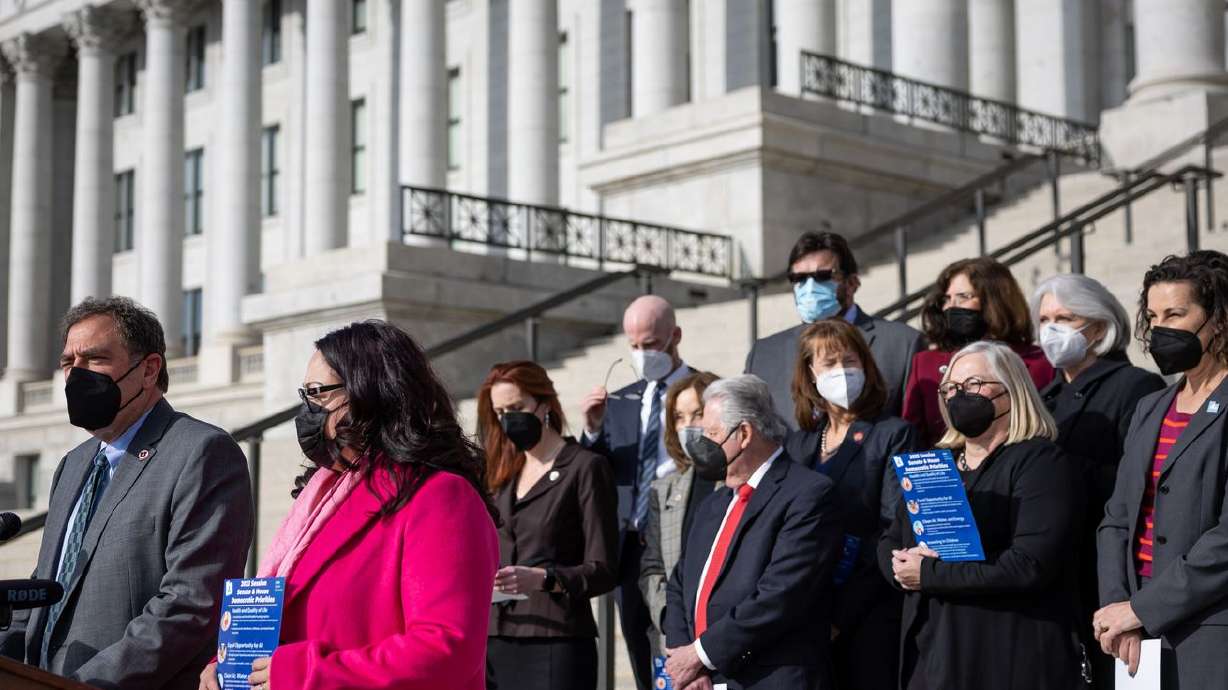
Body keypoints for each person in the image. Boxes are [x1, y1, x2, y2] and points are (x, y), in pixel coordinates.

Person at [198, 320, 499, 690]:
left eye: (317, 394)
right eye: (305, 396)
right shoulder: (322, 496)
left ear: (369, 393)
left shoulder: (440, 496)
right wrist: (230, 664)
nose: (307, 410)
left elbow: (447, 649)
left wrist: (306, 672)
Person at [0, 297, 253, 689]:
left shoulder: (201, 452)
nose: (76, 374)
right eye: (68, 362)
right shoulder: (73, 464)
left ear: (149, 369)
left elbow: (189, 603)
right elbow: (45, 588)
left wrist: (85, 686)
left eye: (95, 359)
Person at [880, 341, 1085, 689]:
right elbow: (891, 539)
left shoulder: (1040, 462)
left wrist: (928, 573)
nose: (959, 395)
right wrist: (900, 568)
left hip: (1007, 656)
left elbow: (1028, 565)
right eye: (950, 388)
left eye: (973, 384)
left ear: (1012, 389)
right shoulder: (936, 464)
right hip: (934, 654)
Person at [1096, 251, 1228, 689]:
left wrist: (1142, 608)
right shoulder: (1150, 407)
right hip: (1135, 636)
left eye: (1175, 314)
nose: (1159, 328)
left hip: (1209, 631)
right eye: (1153, 317)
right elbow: (1117, 518)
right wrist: (1119, 609)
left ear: (1218, 320)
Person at [663, 375, 842, 690]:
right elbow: (679, 583)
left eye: (712, 434)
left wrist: (700, 655)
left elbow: (781, 594)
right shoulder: (713, 504)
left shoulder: (807, 494)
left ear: (744, 433)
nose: (703, 445)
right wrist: (686, 661)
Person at [1031, 273, 1165, 687]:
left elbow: (1137, 483)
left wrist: (1058, 471)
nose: (1051, 329)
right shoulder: (1044, 396)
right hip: (1056, 571)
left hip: (1107, 568)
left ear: (1099, 327)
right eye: (1045, 319)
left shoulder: (1136, 386)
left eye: (1065, 318)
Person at [784, 319, 918, 690]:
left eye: (849, 360)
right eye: (829, 363)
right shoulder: (799, 443)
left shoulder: (894, 434)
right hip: (805, 612)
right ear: (810, 374)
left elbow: (891, 529)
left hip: (867, 609)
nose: (841, 371)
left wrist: (840, 615)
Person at [480, 361, 619, 690]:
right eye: (500, 412)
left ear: (544, 404)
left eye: (516, 408)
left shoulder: (585, 467)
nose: (508, 419)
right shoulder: (500, 475)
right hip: (496, 638)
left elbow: (603, 569)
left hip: (557, 639)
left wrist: (543, 578)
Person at [580, 295, 694, 690]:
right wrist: (592, 429)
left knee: (679, 634)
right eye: (634, 346)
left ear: (675, 336)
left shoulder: (703, 392)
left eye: (652, 344)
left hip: (680, 536)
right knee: (635, 636)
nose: (643, 354)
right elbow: (597, 470)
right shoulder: (622, 399)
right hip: (629, 544)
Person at [745, 231, 925, 427]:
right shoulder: (764, 354)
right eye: (799, 278)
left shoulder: (902, 344)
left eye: (823, 276)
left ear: (852, 283)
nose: (810, 287)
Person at [903, 257, 1055, 447]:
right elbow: (913, 438)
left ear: (996, 300)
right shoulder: (925, 363)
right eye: (947, 299)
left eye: (963, 296)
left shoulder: (1040, 362)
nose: (951, 306)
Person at [639, 371, 722, 658]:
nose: (688, 426)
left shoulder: (739, 482)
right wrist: (669, 621)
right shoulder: (663, 489)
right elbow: (652, 567)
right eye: (679, 417)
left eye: (697, 414)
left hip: (723, 638)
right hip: (673, 641)